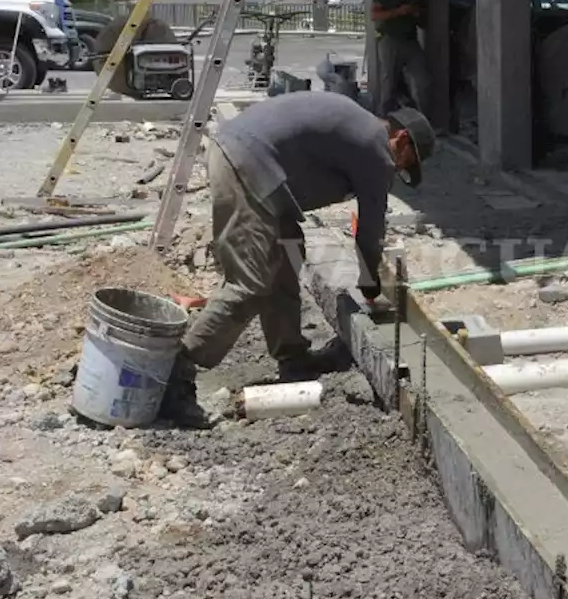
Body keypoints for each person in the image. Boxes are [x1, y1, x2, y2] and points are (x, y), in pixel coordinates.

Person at [162, 91, 436, 423]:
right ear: (401, 138)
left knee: (289, 251)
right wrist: (371, 287)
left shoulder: (360, 129)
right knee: (250, 283)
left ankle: (293, 358)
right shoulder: (377, 149)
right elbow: (369, 233)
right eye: (405, 161)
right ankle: (175, 376)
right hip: (245, 164)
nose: (397, 169)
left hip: (256, 166)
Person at [370, 0, 431, 116]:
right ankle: (383, 120)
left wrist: (417, 14)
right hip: (389, 40)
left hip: (410, 41)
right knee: (388, 83)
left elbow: (425, 24)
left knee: (423, 82)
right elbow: (374, 15)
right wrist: (399, 12)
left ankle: (423, 120)